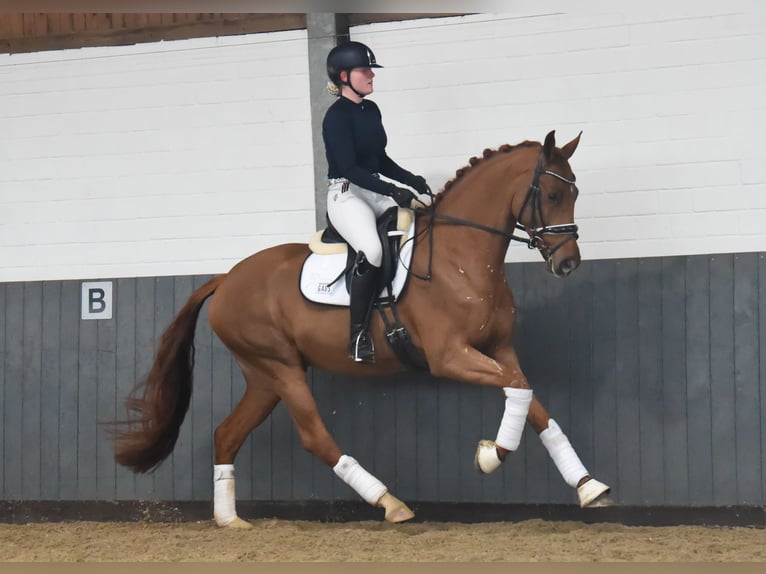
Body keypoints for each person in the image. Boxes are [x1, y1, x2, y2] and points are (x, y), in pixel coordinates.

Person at [323, 40, 431, 364]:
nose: (372, 75)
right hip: (346, 194)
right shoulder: (336, 117)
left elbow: (379, 159)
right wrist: (391, 190)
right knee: (371, 250)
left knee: (418, 225)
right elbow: (349, 168)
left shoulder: (371, 110)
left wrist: (411, 181)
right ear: (344, 76)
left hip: (372, 189)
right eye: (364, 70)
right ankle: (357, 336)